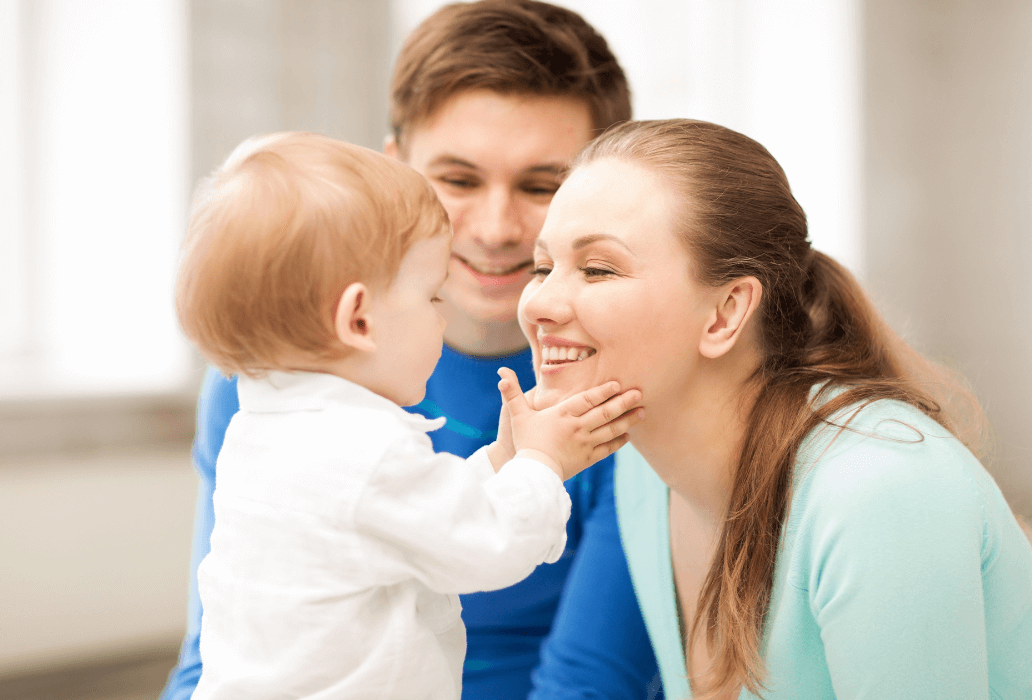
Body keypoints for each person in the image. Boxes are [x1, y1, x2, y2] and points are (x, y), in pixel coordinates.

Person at [161, 2, 662, 699]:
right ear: (392, 170)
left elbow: (588, 681)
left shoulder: (628, 394)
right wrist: (540, 460)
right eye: (457, 180)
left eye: (541, 186)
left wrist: (512, 459)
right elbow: (219, 650)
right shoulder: (269, 377)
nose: (493, 229)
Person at [517, 118, 1032, 699]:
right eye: (542, 267)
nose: (539, 303)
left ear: (725, 312)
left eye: (598, 269)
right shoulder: (641, 471)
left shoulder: (879, 491)